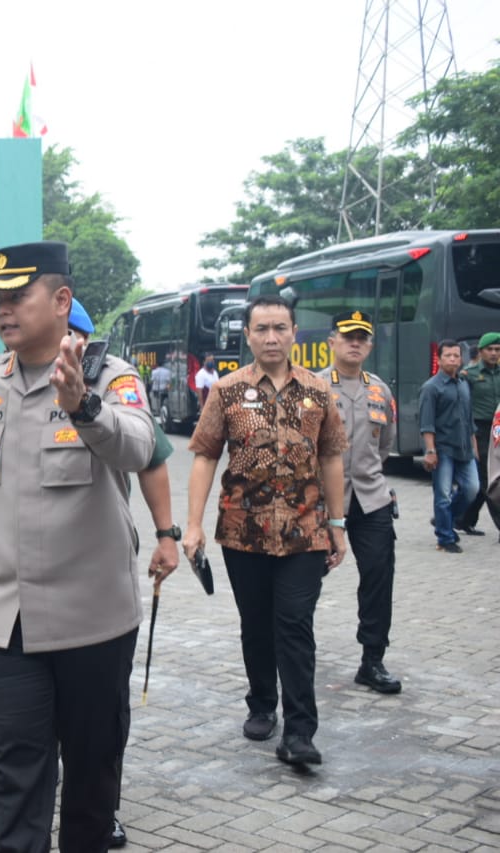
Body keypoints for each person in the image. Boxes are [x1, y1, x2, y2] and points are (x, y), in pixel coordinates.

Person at [0, 242, 155, 852]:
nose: (3, 311)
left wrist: (83, 407)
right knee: (14, 780)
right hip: (1, 622)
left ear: (62, 301)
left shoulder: (110, 380)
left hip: (92, 621)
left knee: (91, 784)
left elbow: (139, 448)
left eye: (17, 296)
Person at [183, 294, 348, 768]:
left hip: (306, 532)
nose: (271, 337)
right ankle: (261, 703)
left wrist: (338, 524)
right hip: (243, 532)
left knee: (294, 625)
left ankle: (299, 732)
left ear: (295, 332)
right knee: (257, 626)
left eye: (280, 328)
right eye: (262, 329)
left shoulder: (318, 390)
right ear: (249, 336)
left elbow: (332, 456)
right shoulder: (227, 390)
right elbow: (205, 455)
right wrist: (192, 525)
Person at [67, 297, 177, 850]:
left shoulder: (114, 380)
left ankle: (102, 803)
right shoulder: (4, 377)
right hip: (26, 578)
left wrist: (166, 535)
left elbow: (152, 456)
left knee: (104, 708)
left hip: (101, 565)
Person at [320, 311, 402, 695]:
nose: (355, 343)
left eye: (362, 338)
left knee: (378, 577)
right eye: (348, 336)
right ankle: (290, 650)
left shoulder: (380, 391)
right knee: (303, 579)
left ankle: (373, 660)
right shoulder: (314, 386)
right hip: (320, 501)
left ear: (369, 346)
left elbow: (384, 446)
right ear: (332, 341)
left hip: (371, 500)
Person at [417, 339, 479, 553]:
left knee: (472, 489)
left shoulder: (463, 384)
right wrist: (430, 451)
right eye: (448, 356)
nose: (453, 359)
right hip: (443, 449)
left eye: (456, 355)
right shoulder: (431, 388)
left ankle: (445, 519)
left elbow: (469, 418)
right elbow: (426, 423)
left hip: (464, 448)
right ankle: (445, 538)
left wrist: (474, 444)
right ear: (440, 359)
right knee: (442, 494)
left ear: (461, 359)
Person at [459, 331, 500, 540]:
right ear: (481, 351)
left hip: (498, 427)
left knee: (486, 484)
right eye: (490, 350)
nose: (494, 354)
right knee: (488, 480)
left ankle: (462, 518)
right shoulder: (470, 374)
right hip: (480, 430)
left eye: (497, 350)